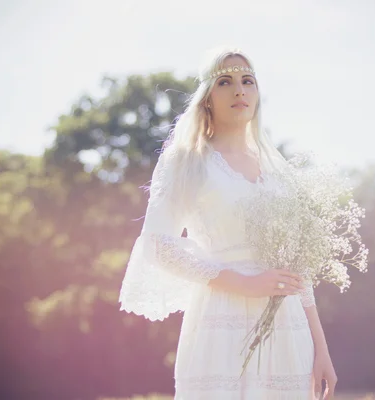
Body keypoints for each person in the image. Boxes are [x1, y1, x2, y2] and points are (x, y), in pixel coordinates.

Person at [119, 46, 337, 400]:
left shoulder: (278, 169)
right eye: (226, 81)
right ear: (207, 97)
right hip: (220, 323)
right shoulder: (187, 160)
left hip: (287, 328)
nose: (239, 90)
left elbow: (298, 267)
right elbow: (159, 245)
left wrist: (321, 348)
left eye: (247, 80)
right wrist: (243, 283)